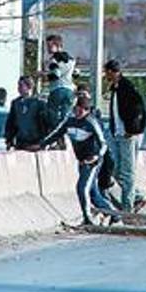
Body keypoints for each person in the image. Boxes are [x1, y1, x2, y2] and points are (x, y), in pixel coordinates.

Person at [47, 95, 118, 226]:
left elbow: (103, 144)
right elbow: (56, 134)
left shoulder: (91, 122)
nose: (79, 113)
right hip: (81, 161)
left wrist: (96, 156)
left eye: (82, 110)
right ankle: (114, 214)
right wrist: (41, 144)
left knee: (82, 188)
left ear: (87, 110)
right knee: (93, 193)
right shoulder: (70, 121)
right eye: (77, 109)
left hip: (92, 161)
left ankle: (87, 219)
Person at [105, 60, 146, 212]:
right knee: (115, 169)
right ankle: (137, 196)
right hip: (116, 133)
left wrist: (133, 130)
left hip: (127, 135)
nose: (105, 76)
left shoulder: (127, 88)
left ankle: (127, 207)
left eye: (107, 73)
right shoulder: (115, 89)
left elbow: (138, 110)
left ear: (113, 72)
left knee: (128, 172)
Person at [5, 77, 47, 151]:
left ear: (29, 86)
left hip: (35, 143)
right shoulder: (16, 103)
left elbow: (45, 123)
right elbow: (11, 123)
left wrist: (43, 142)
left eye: (21, 85)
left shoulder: (39, 103)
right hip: (20, 143)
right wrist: (9, 140)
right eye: (18, 85)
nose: (19, 88)